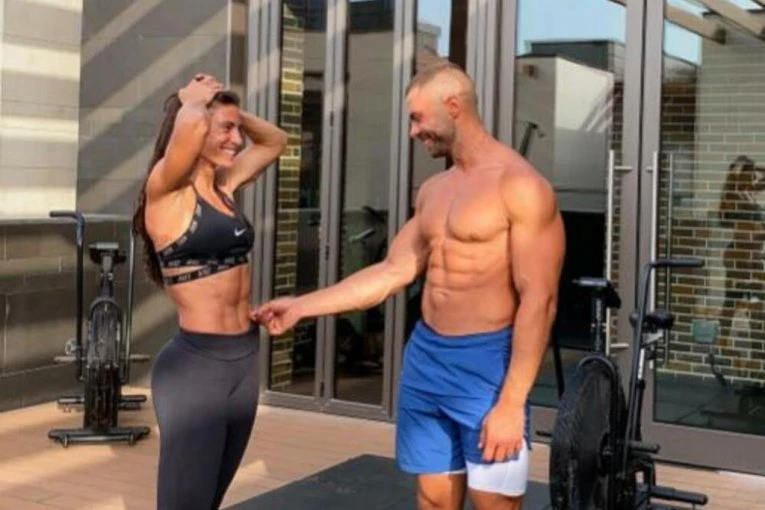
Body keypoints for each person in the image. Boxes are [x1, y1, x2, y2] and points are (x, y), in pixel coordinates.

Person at [252, 59, 565, 510]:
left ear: (453, 106)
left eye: (418, 118)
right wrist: (303, 306)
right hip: (426, 358)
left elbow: (541, 299)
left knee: (494, 502)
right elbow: (391, 271)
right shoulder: (434, 190)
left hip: (487, 366)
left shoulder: (521, 186)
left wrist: (512, 402)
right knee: (433, 500)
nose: (414, 131)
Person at [132, 73, 287, 510]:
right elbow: (189, 129)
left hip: (243, 361)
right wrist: (191, 102)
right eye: (225, 130)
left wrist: (229, 110)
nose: (236, 140)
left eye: (237, 130)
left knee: (210, 499)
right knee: (185, 502)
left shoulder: (224, 185)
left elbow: (275, 141)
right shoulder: (166, 190)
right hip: (197, 370)